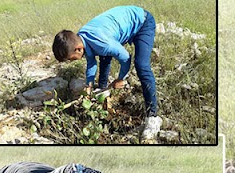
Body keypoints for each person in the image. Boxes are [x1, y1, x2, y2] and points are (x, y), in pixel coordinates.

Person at [52, 6, 161, 140]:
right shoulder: (82, 38)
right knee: (104, 57)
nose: (71, 62)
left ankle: (153, 117)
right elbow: (91, 63)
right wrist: (89, 85)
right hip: (119, 27)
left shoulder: (102, 43)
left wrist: (120, 79)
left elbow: (126, 58)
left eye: (70, 58)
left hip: (142, 22)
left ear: (78, 49)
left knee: (141, 65)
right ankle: (103, 90)